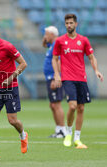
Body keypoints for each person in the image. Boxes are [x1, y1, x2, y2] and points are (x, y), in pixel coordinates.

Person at [52, 14, 104, 149]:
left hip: (81, 78)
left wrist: (96, 70)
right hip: (68, 78)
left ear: (76, 24)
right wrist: (57, 75)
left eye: (71, 23)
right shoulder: (60, 41)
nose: (69, 25)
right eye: (67, 23)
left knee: (81, 108)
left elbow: (92, 57)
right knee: (72, 106)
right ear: (65, 25)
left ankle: (77, 139)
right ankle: (68, 133)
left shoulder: (84, 40)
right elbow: (55, 58)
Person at [0, 23, 28, 162]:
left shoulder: (8, 46)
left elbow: (23, 64)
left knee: (12, 120)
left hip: (10, 88)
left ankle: (23, 135)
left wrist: (11, 78)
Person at [42, 26, 66, 138]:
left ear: (52, 34)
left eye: (46, 34)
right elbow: (45, 45)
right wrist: (45, 41)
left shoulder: (57, 44)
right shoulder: (52, 45)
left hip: (54, 78)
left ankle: (63, 130)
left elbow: (60, 62)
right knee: (53, 105)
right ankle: (58, 130)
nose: (45, 36)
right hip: (50, 77)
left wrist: (56, 78)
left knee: (56, 104)